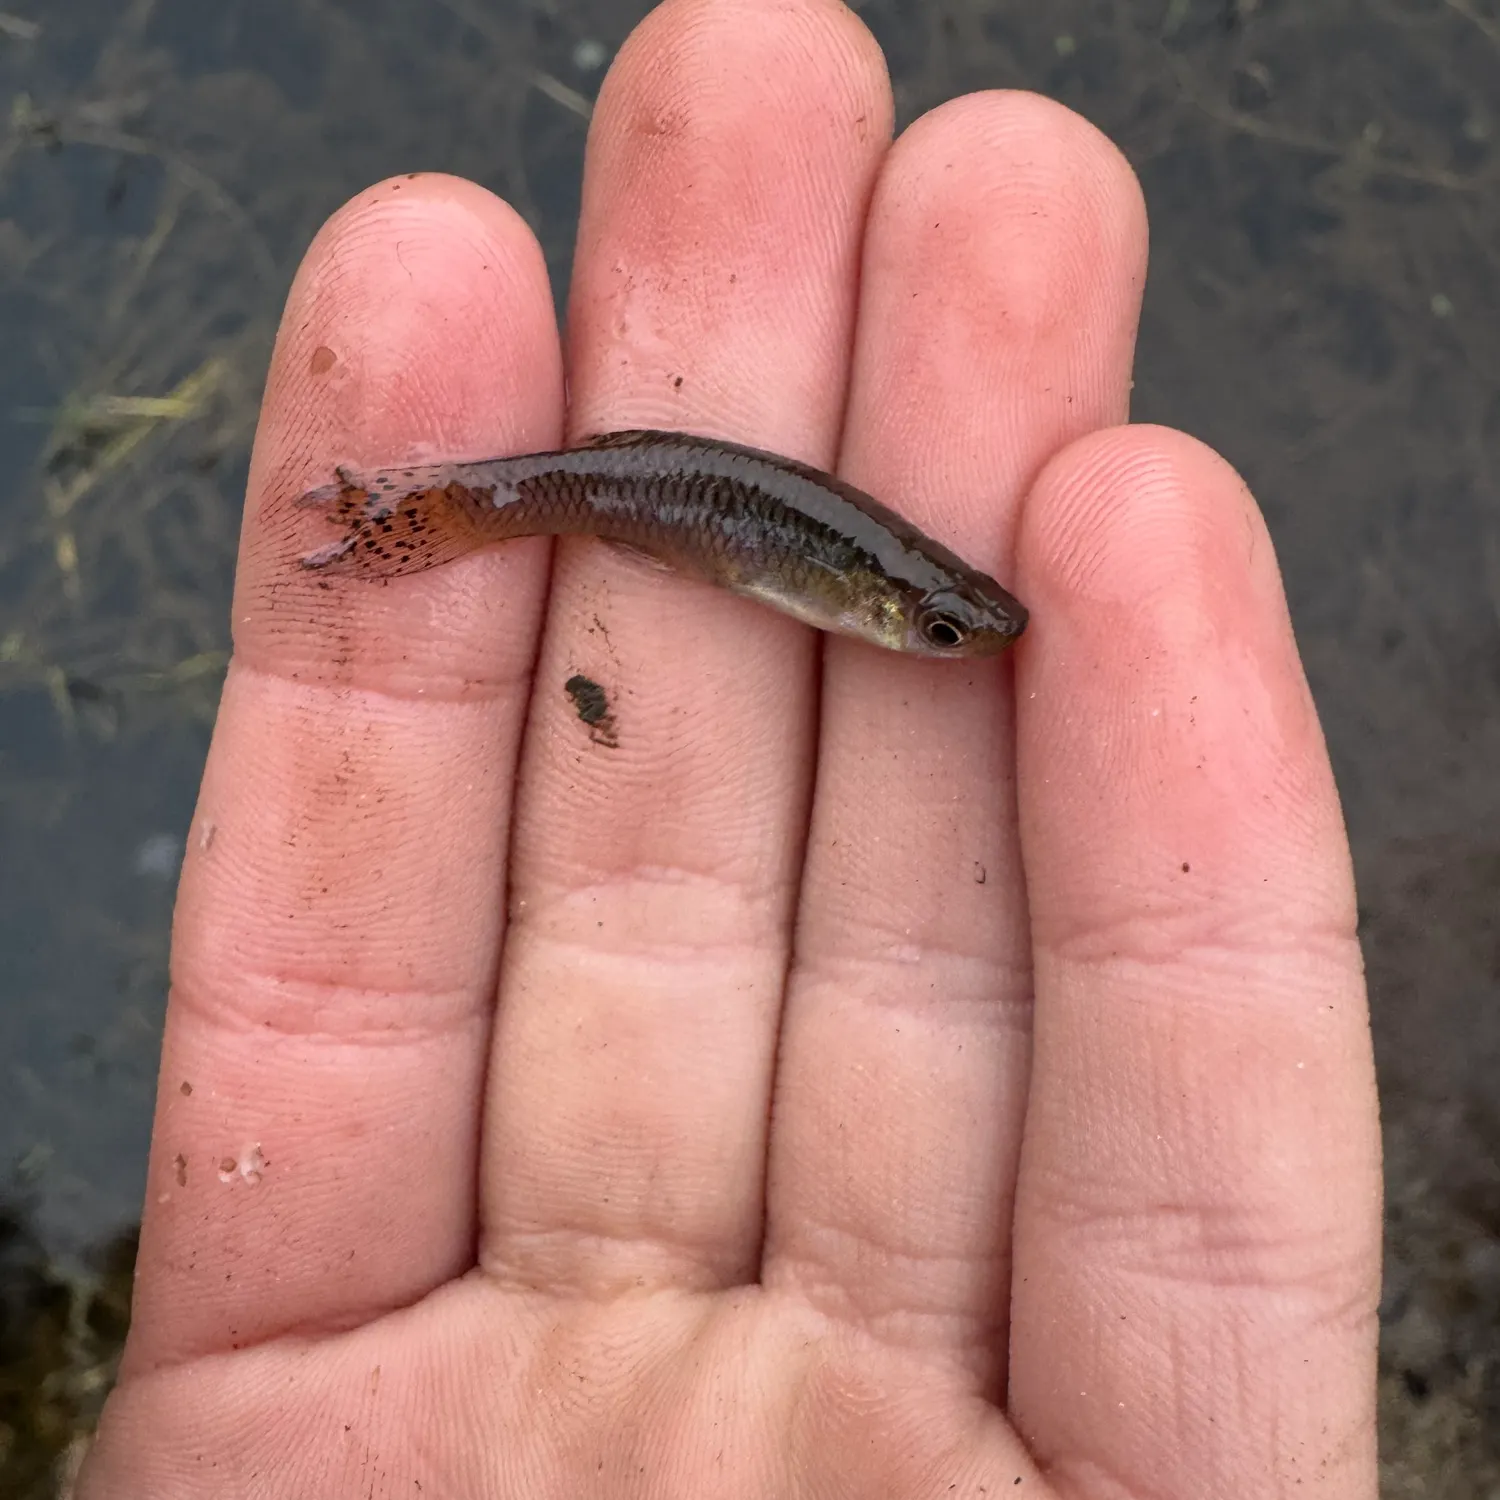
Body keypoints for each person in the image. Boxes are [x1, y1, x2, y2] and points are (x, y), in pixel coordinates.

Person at [78, 0, 1382, 1494]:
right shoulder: (851, 585)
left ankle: (421, 513)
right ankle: (419, 515)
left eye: (938, 634)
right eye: (938, 635)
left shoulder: (879, 580)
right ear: (890, 610)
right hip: (641, 492)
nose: (939, 651)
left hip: (659, 494)